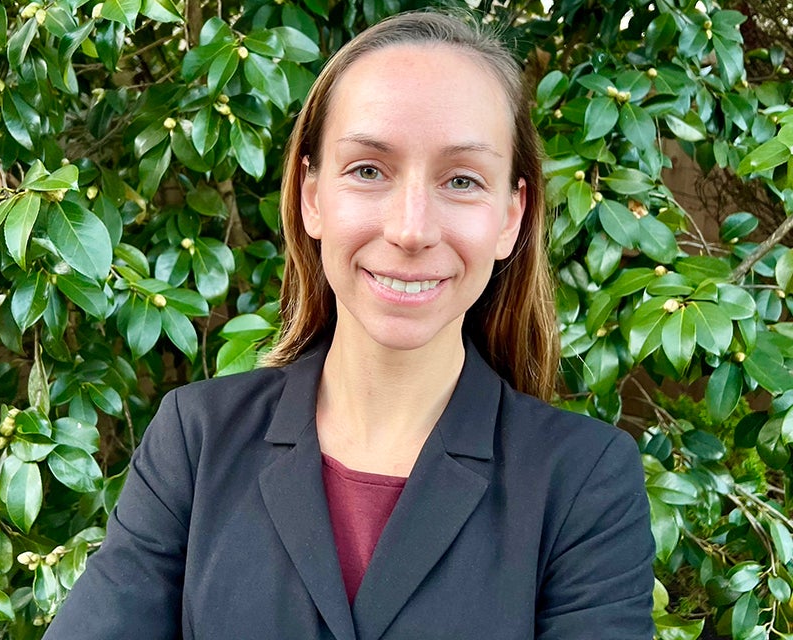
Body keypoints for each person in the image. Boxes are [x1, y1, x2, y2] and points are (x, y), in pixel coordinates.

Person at [44, 11, 655, 640]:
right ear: (312, 196)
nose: (411, 229)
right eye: (368, 169)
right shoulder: (196, 444)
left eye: (462, 179)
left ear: (510, 216)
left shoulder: (583, 482)